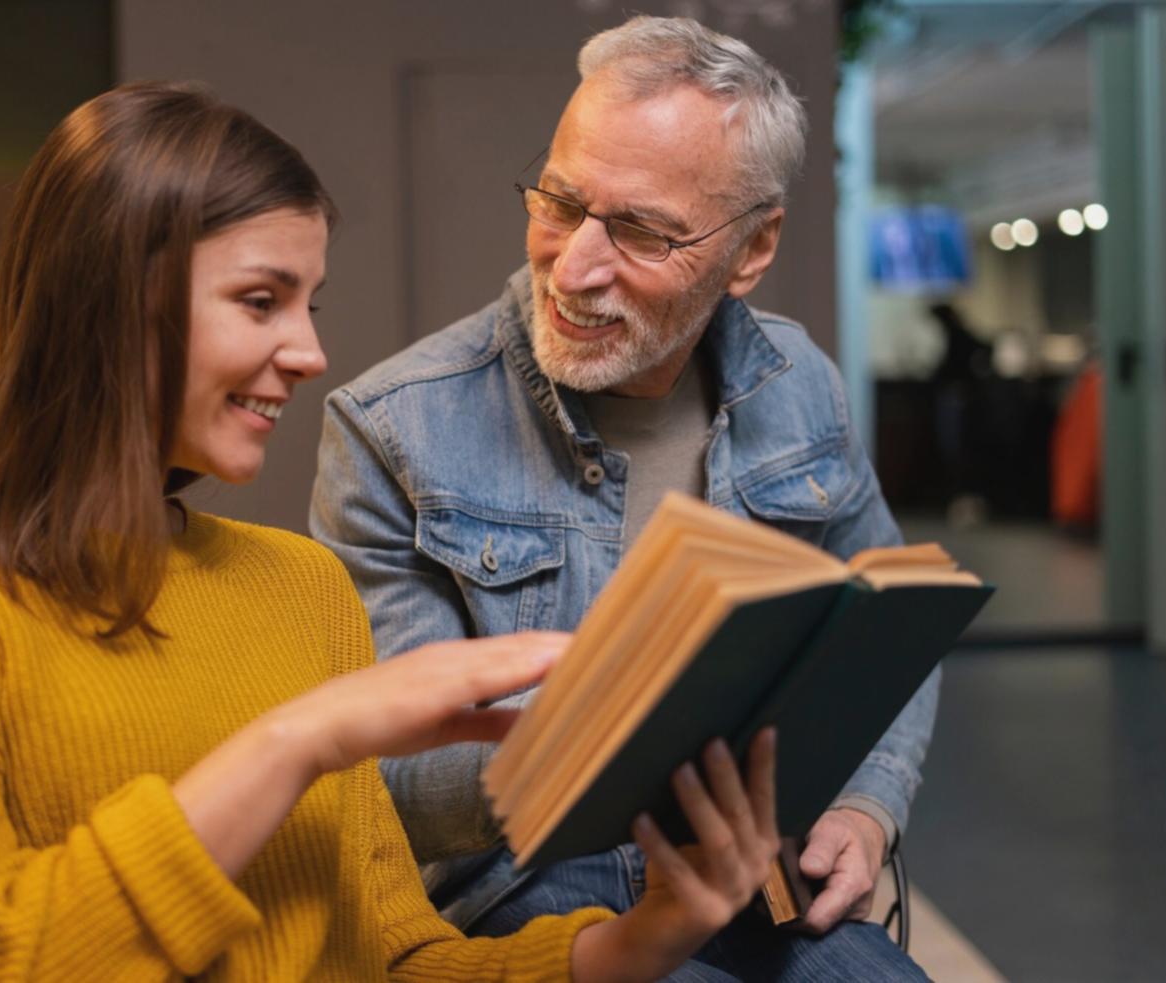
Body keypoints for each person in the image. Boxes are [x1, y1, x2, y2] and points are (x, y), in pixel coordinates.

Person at [0, 81, 784, 981]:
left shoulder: (297, 585)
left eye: (309, 301)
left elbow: (394, 956)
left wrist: (646, 934)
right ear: (108, 304)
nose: (309, 350)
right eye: (261, 299)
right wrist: (300, 738)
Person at [310, 16, 937, 981]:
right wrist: (596, 734)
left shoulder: (798, 381)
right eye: (561, 202)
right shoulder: (393, 427)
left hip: (748, 866)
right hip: (520, 883)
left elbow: (891, 622)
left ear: (755, 248)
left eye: (643, 231)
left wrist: (868, 806)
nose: (574, 266)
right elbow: (387, 781)